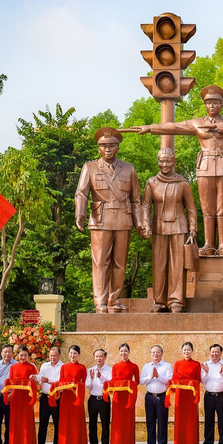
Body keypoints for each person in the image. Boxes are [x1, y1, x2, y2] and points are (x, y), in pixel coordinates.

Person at [134, 85, 223, 255]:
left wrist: (218, 128)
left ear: (221, 105)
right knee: (207, 208)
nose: (212, 106)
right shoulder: (197, 123)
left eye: (216, 102)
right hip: (205, 166)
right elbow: (172, 126)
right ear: (205, 105)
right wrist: (150, 128)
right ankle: (208, 244)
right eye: (209, 103)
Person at [75, 126, 144, 313]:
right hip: (100, 219)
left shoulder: (129, 168)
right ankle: (100, 302)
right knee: (100, 262)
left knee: (120, 262)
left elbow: (136, 200)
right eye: (103, 145)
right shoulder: (89, 167)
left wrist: (140, 223)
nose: (107, 149)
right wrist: (80, 214)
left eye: (111, 145)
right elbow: (81, 193)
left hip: (123, 219)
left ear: (118, 147)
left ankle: (115, 299)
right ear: (98, 148)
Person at [141, 147, 197, 312]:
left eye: (168, 161)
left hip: (179, 227)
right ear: (158, 162)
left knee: (177, 265)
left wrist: (193, 229)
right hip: (158, 227)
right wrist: (145, 225)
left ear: (174, 162)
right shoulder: (151, 182)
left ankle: (176, 301)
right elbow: (145, 206)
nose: (164, 164)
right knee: (159, 265)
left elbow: (191, 208)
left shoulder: (182, 183)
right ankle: (159, 301)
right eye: (161, 161)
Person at [52, 344, 88, 444]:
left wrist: (75, 384)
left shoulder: (82, 367)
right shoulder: (64, 367)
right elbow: (61, 381)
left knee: (75, 423)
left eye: (75, 353)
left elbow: (84, 383)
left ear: (79, 355)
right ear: (68, 354)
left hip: (75, 397)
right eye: (71, 353)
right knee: (65, 423)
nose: (73, 355)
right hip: (65, 397)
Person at [168, 342, 202, 444]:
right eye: (184, 350)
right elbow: (174, 379)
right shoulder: (177, 363)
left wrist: (190, 382)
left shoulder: (196, 364)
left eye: (188, 350)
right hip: (180, 395)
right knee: (180, 420)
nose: (186, 352)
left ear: (192, 351)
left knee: (191, 420)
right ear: (181, 351)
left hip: (191, 396)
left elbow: (198, 380)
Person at [106, 343, 140, 444]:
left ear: (129, 352)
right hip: (118, 397)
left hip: (128, 396)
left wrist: (128, 383)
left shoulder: (134, 366)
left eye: (125, 351)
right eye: (121, 351)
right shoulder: (115, 366)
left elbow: (137, 382)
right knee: (117, 421)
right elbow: (113, 381)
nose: (123, 353)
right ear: (119, 352)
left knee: (127, 421)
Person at [141, 345, 174, 444]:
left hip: (162, 396)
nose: (155, 354)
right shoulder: (146, 366)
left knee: (162, 422)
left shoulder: (167, 366)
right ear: (150, 354)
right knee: (150, 422)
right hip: (150, 397)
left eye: (158, 352)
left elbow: (169, 380)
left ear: (162, 353)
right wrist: (150, 377)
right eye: (153, 352)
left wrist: (158, 376)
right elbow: (141, 381)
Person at [6, 346, 38, 444]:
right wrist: (9, 393)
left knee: (26, 422)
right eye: (21, 355)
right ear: (17, 355)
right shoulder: (13, 367)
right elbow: (10, 381)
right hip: (16, 397)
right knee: (15, 422)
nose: (23, 357)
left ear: (28, 356)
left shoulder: (31, 367)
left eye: (25, 355)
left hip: (27, 397)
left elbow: (34, 383)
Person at [32, 346, 63, 444]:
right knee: (42, 424)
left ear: (59, 355)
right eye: (51, 356)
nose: (53, 358)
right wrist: (36, 377)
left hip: (57, 397)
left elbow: (60, 381)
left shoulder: (63, 367)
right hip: (45, 397)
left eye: (55, 356)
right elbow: (41, 376)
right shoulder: (45, 365)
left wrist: (48, 380)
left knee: (57, 423)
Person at [201, 344, 223, 444]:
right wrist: (206, 372)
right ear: (210, 352)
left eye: (217, 352)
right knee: (208, 421)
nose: (215, 354)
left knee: (222, 421)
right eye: (213, 352)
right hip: (209, 396)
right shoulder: (205, 364)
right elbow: (203, 381)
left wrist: (222, 372)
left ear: (221, 353)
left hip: (221, 396)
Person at [86, 348, 112, 444]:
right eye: (96, 356)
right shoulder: (90, 370)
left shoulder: (110, 370)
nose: (98, 358)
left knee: (105, 423)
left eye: (101, 356)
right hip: (92, 399)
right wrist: (92, 379)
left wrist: (101, 377)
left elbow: (110, 383)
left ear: (105, 357)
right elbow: (87, 385)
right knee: (92, 424)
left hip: (104, 399)